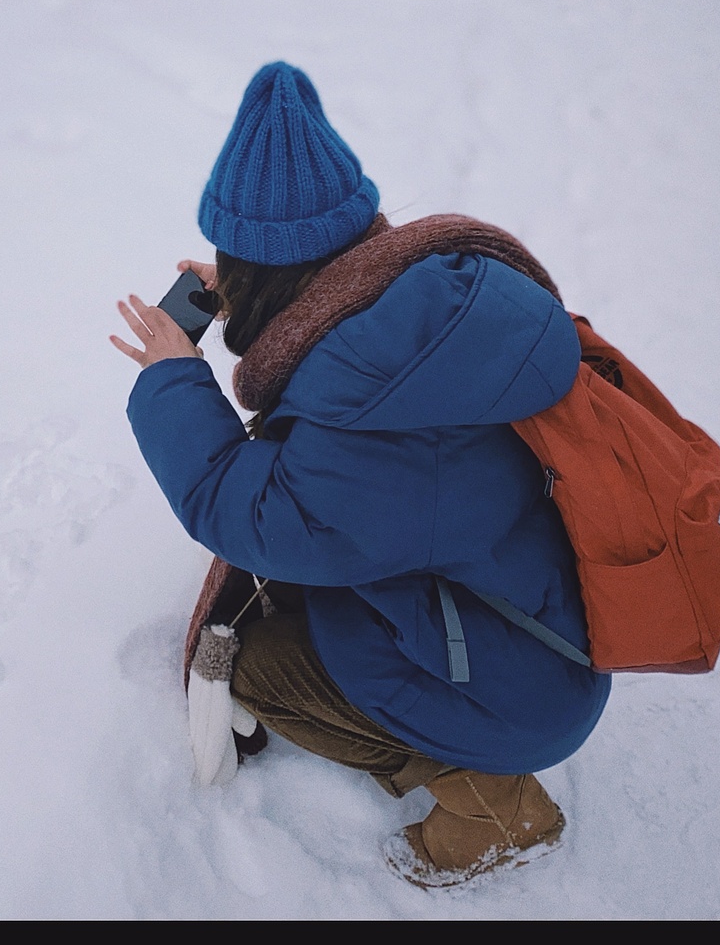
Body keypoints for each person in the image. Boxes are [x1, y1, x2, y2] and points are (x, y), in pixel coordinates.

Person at [109, 61, 611, 888]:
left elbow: (252, 515)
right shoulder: (421, 299)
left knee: (259, 667)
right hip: (539, 619)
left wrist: (172, 379)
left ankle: (494, 806)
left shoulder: (365, 407)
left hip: (522, 688)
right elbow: (340, 400)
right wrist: (256, 301)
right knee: (315, 592)